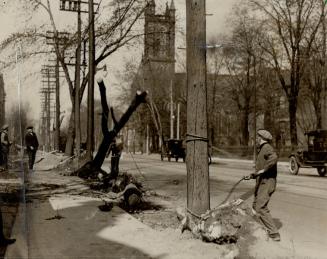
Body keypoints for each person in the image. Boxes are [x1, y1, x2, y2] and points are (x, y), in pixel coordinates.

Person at [244, 129, 280, 241]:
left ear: (261, 138)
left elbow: (274, 158)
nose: (256, 139)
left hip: (267, 182)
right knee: (255, 206)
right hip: (262, 181)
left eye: (257, 137)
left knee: (260, 207)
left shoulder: (267, 147)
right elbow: (260, 170)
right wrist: (252, 175)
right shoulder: (262, 149)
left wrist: (263, 170)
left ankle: (274, 233)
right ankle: (260, 230)